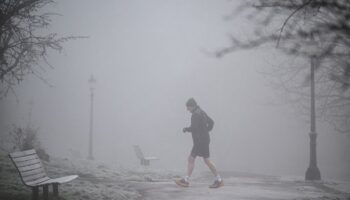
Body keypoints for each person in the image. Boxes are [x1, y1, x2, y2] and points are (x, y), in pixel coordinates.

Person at [175, 98, 223, 188]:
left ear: (192, 106)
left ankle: (186, 180)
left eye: (188, 107)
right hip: (204, 140)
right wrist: (206, 131)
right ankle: (219, 180)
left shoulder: (195, 115)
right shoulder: (201, 112)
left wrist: (186, 129)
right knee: (204, 160)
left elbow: (194, 128)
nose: (187, 109)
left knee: (193, 159)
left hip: (200, 141)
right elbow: (212, 122)